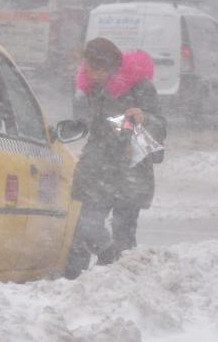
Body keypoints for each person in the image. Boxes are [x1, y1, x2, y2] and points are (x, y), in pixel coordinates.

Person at [66, 37, 166, 277]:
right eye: (87, 68)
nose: (90, 73)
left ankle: (121, 279)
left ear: (109, 66)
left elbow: (159, 126)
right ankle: (73, 280)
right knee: (85, 228)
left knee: (124, 233)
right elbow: (95, 128)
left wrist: (143, 119)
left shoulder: (139, 87)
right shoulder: (90, 89)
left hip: (129, 170)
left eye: (95, 69)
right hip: (97, 170)